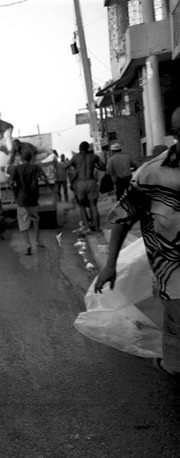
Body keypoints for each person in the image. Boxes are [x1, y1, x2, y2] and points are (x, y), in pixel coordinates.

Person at [95, 106, 180, 376]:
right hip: (176, 281)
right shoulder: (150, 174)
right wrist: (110, 265)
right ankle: (170, 364)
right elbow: (122, 218)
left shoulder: (123, 162)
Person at [11, 151, 51, 256]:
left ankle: (28, 244)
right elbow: (43, 177)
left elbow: (12, 182)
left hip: (21, 200)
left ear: (21, 159)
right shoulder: (36, 167)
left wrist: (15, 194)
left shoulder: (17, 168)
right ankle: (37, 241)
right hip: (33, 199)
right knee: (35, 219)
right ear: (31, 158)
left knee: (23, 223)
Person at [65, 141, 105, 233]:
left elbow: (65, 166)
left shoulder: (76, 157)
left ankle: (87, 227)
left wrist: (76, 166)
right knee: (93, 206)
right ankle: (97, 228)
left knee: (82, 206)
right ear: (88, 149)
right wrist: (95, 166)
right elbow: (103, 167)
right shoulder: (94, 157)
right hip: (91, 182)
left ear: (79, 148)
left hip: (81, 183)